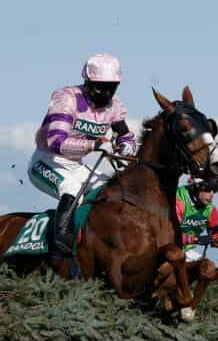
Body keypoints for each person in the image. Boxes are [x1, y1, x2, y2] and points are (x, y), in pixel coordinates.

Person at [28, 53, 137, 255]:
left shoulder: (115, 106)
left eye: (111, 88)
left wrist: (126, 147)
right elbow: (56, 142)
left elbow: (126, 136)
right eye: (100, 87)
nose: (106, 94)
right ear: (87, 82)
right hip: (47, 162)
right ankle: (60, 250)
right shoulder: (66, 98)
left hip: (76, 165)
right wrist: (93, 145)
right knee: (71, 189)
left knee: (110, 189)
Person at [175, 179, 218, 263]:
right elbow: (171, 236)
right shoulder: (178, 201)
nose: (212, 194)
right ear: (196, 188)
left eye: (215, 189)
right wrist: (196, 239)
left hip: (186, 251)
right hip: (165, 248)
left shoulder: (211, 210)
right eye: (208, 189)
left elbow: (214, 235)